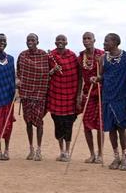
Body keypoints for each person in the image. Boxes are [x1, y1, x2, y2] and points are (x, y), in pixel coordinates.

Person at [94, 33, 126, 171]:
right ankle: (116, 157)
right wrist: (96, 79)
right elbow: (102, 76)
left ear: (115, 42)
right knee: (111, 129)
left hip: (121, 98)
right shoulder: (103, 58)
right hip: (107, 97)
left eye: (106, 41)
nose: (104, 43)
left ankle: (125, 158)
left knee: (121, 127)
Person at [48, 34, 82, 162]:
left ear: (66, 42)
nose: (60, 42)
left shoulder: (72, 56)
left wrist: (78, 94)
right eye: (58, 40)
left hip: (70, 95)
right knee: (58, 124)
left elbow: (79, 76)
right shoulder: (50, 56)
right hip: (56, 95)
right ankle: (61, 151)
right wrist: (53, 70)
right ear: (55, 42)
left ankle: (67, 151)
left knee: (69, 124)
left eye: (63, 40)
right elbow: (46, 75)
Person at [17, 33, 49, 161]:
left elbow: (47, 71)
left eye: (32, 40)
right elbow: (19, 71)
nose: (30, 42)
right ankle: (31, 149)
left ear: (37, 41)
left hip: (40, 94)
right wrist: (18, 80)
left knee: (39, 122)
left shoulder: (43, 55)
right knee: (28, 122)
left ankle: (39, 150)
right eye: (28, 40)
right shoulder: (22, 55)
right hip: (26, 94)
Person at [78, 32, 104, 164]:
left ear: (94, 40)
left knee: (100, 125)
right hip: (87, 94)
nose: (86, 40)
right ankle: (92, 154)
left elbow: (106, 74)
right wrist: (78, 95)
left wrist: (99, 77)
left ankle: (100, 154)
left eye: (89, 38)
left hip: (100, 93)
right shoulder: (81, 56)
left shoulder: (102, 54)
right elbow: (79, 78)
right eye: (84, 38)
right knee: (87, 125)